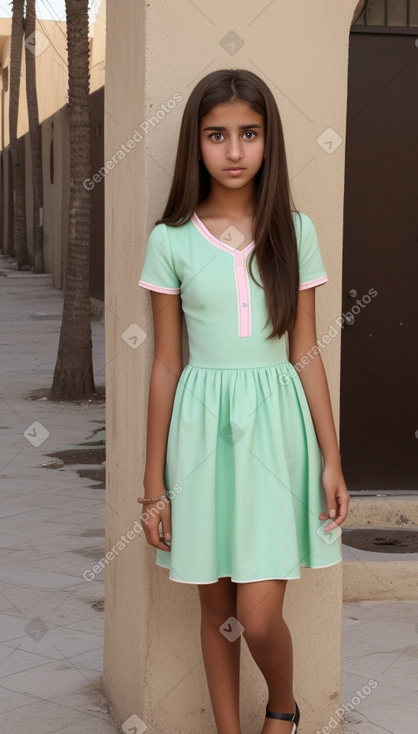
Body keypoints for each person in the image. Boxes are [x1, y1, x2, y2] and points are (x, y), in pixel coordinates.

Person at [137, 68, 350, 734]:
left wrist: (331, 458)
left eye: (248, 134)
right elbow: (167, 364)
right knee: (214, 610)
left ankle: (282, 707)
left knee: (257, 616)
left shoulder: (293, 229)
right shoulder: (169, 239)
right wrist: (153, 485)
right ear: (194, 144)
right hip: (199, 435)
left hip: (275, 434)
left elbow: (305, 353)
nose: (233, 151)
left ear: (268, 141)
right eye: (216, 135)